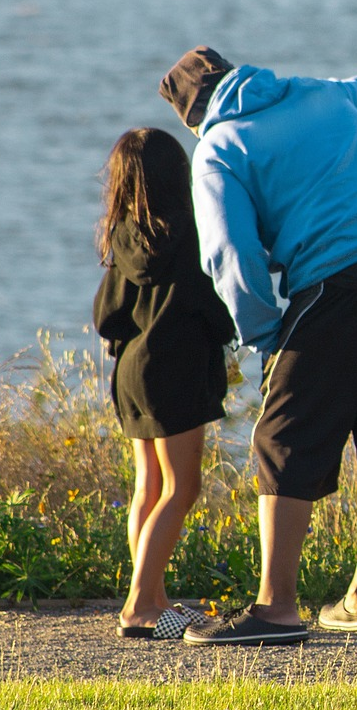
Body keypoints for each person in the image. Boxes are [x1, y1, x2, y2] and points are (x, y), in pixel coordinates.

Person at [158, 46, 357, 645]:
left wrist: (267, 336)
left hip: (339, 277)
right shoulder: (313, 93)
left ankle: (276, 609)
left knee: (283, 435)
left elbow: (230, 258)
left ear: (191, 115)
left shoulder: (218, 150)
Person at [92, 127, 236, 639]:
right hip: (177, 369)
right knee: (182, 487)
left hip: (131, 371)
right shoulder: (193, 231)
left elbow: (106, 316)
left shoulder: (124, 234)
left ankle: (155, 599)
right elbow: (215, 307)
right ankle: (138, 607)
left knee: (147, 486)